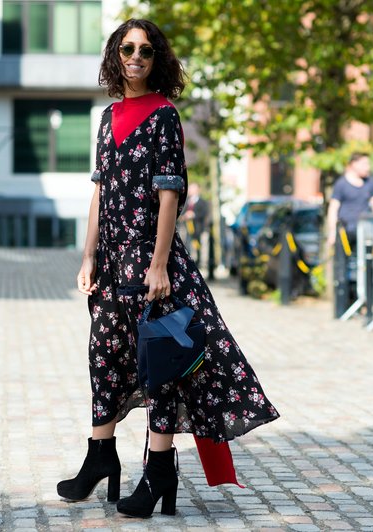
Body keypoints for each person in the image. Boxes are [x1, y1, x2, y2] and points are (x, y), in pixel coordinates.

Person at [57, 19, 279, 518]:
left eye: (146, 50)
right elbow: (98, 191)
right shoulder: (107, 116)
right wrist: (88, 255)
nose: (136, 56)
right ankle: (100, 457)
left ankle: (158, 469)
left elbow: (169, 193)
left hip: (151, 261)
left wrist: (159, 265)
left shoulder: (163, 115)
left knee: (160, 365)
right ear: (115, 55)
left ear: (158, 60)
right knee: (104, 358)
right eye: (127, 47)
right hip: (111, 263)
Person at [325, 152, 373, 304]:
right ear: (354, 164)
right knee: (344, 267)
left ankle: (367, 302)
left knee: (368, 265)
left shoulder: (370, 183)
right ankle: (345, 302)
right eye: (365, 164)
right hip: (346, 232)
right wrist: (332, 232)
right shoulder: (341, 184)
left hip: (366, 232)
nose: (368, 167)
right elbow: (333, 208)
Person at [180, 183, 210, 264]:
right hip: (187, 227)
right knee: (187, 243)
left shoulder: (202, 202)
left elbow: (204, 213)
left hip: (198, 228)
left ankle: (198, 261)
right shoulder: (186, 201)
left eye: (192, 189)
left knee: (198, 245)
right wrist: (184, 216)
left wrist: (194, 215)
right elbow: (182, 212)